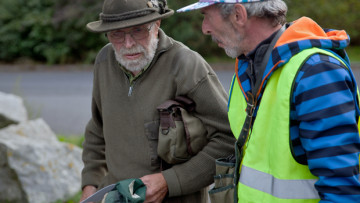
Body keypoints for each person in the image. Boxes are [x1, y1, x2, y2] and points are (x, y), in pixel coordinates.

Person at [177, 0, 360, 202]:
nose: (205, 29)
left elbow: (342, 192)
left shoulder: (316, 73)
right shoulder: (248, 66)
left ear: (238, 15)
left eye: (207, 16)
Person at [80, 0, 236, 202]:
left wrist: (169, 181)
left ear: (157, 25)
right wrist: (90, 184)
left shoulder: (187, 65)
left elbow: (228, 139)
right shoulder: (104, 61)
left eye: (138, 30)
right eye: (116, 33)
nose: (128, 44)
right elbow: (97, 128)